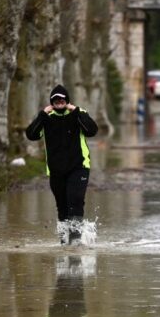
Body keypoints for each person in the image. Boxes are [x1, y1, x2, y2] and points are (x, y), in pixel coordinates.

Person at [26, 84, 98, 244]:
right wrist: (42, 113)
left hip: (79, 167)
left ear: (67, 100)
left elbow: (92, 130)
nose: (59, 101)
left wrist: (76, 110)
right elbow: (31, 135)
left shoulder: (78, 114)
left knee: (76, 200)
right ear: (51, 102)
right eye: (56, 99)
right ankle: (65, 242)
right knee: (63, 206)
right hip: (56, 170)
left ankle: (76, 240)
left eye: (62, 99)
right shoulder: (47, 118)